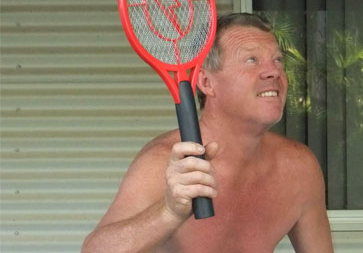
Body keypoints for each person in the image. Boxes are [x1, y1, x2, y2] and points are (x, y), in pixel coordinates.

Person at [82, 13, 333, 253]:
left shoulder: (299, 168)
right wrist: (169, 212)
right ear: (206, 83)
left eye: (277, 60)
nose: (274, 72)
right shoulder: (167, 165)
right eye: (251, 60)